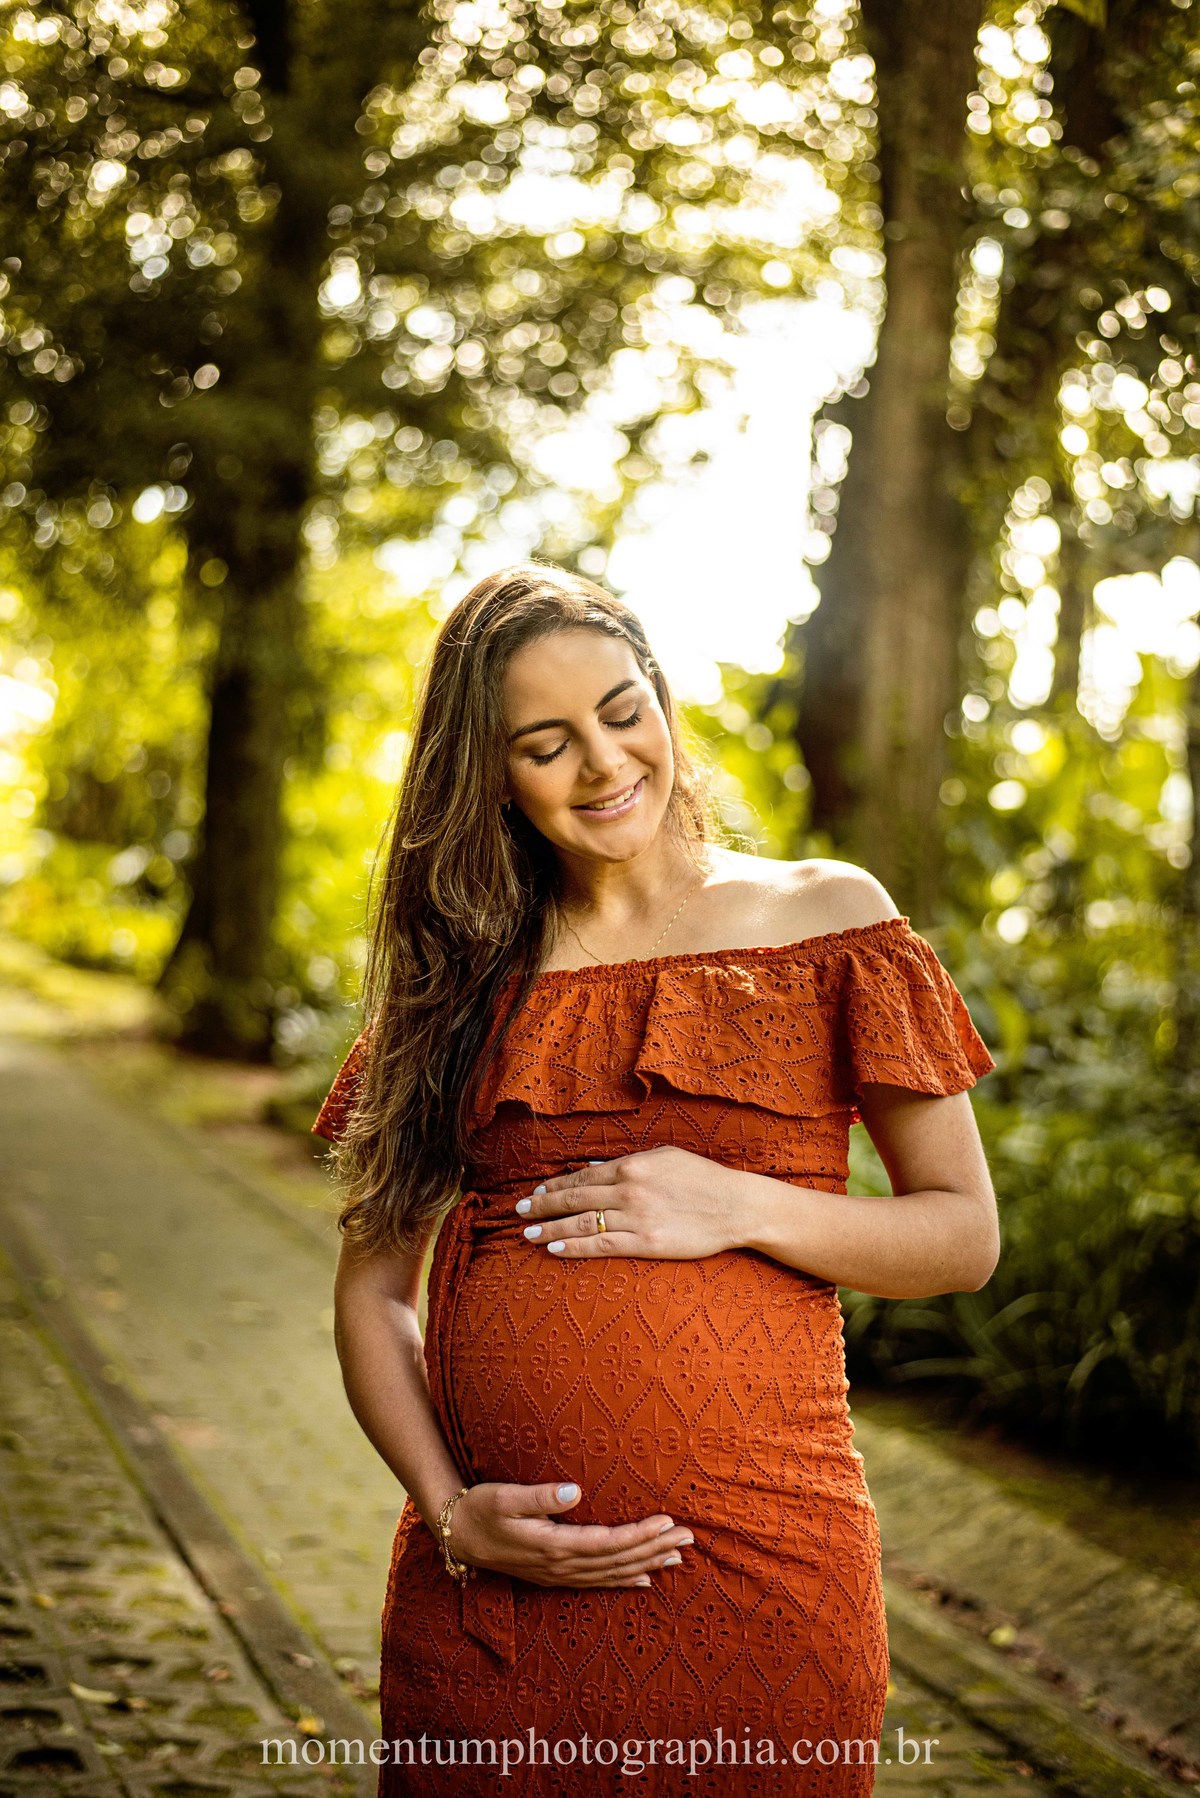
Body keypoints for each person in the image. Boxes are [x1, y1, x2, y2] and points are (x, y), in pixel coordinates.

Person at [313, 561, 999, 1796]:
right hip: (496, 1610)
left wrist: (736, 1203)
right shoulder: (456, 978)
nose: (604, 762)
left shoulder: (827, 918)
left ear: (663, 699)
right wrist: (452, 1512)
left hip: (764, 1585)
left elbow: (962, 1237)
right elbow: (374, 1295)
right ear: (491, 776)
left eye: (623, 709)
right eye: (545, 742)